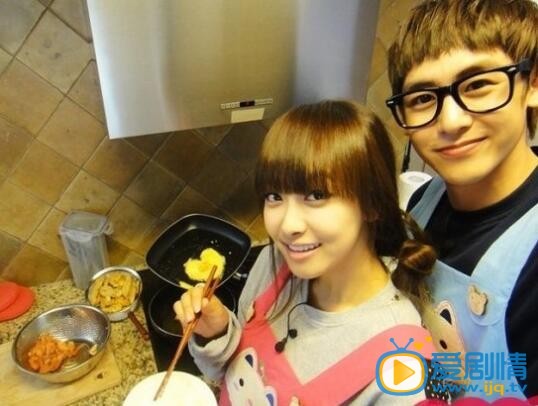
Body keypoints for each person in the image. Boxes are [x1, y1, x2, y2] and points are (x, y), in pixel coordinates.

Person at [174, 100, 439, 405]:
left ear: (372, 203)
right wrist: (217, 334)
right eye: (274, 196)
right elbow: (234, 379)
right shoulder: (274, 263)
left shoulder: (403, 366)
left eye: (316, 195)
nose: (288, 226)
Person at [385, 0, 538, 400]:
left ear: (533, 84)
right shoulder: (423, 202)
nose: (451, 122)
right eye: (422, 98)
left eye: (478, 85)